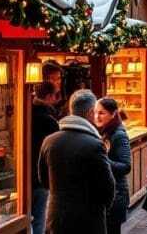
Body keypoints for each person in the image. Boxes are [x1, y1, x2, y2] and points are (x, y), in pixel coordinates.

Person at [38, 89, 115, 234]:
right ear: (90, 112)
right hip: (87, 218)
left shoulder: (49, 141)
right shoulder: (94, 144)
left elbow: (43, 180)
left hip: (56, 215)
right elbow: (107, 188)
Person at [94, 97, 131, 234]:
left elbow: (126, 166)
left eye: (102, 113)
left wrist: (103, 160)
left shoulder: (118, 135)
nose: (97, 116)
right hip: (106, 195)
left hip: (116, 195)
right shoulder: (102, 131)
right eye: (95, 112)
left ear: (113, 114)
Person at [31, 82, 59, 234]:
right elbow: (54, 152)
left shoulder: (26, 113)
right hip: (41, 176)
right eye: (55, 96)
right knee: (40, 217)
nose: (56, 100)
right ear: (49, 96)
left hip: (23, 176)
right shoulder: (49, 120)